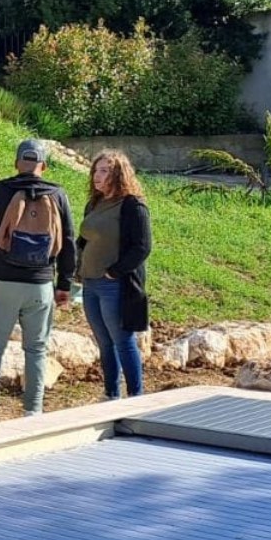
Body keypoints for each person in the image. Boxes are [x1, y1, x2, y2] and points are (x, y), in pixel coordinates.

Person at [0, 139, 76, 425]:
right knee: (36, 348)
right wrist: (64, 284)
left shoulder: (1, 190)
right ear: (44, 165)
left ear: (17, 163)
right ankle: (33, 410)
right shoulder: (58, 194)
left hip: (2, 281)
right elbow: (67, 242)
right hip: (40, 284)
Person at [76, 149, 152, 400]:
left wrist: (113, 272)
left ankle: (135, 395)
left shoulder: (132, 205)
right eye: (96, 170)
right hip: (90, 283)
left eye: (104, 171)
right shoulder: (94, 204)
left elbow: (141, 247)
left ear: (118, 174)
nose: (98, 176)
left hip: (114, 285)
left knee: (122, 339)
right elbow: (84, 239)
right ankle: (110, 394)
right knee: (103, 341)